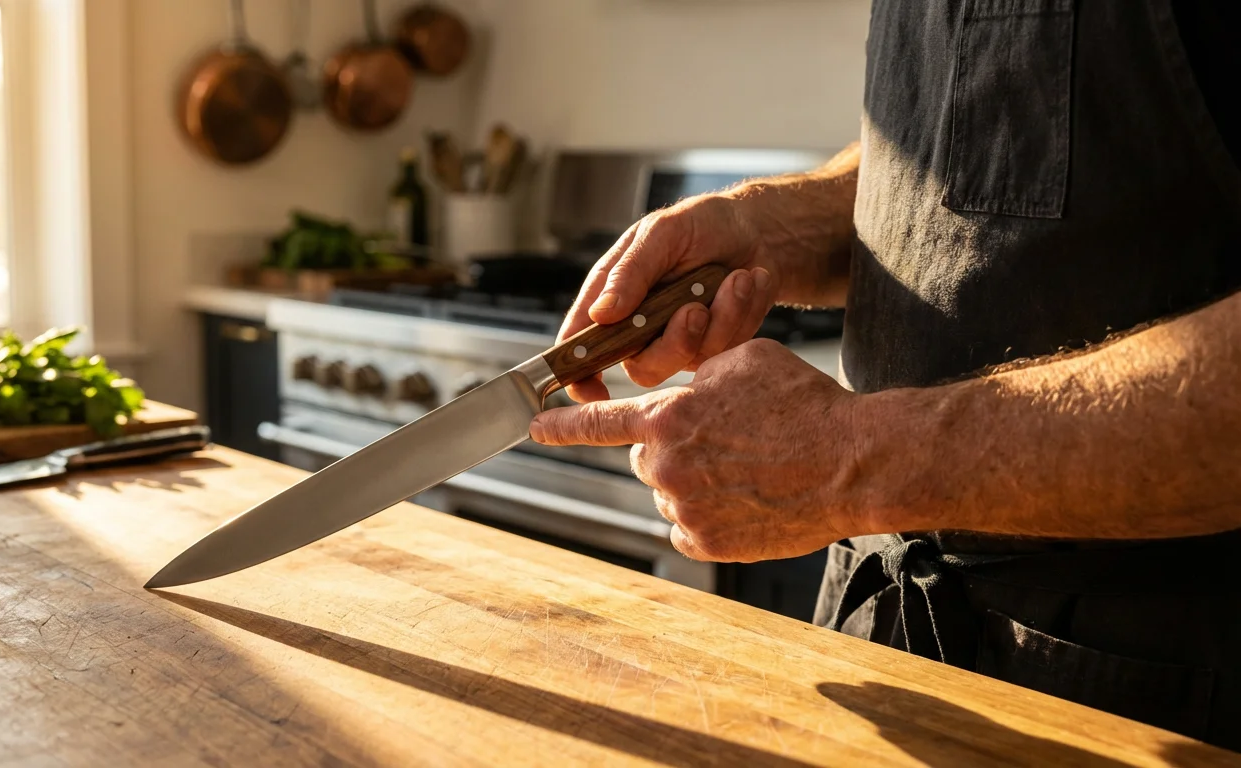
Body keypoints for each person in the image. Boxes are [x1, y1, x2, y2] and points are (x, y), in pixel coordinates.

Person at [529, 0, 1241, 749]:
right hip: (884, 630)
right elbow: (986, 142)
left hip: (1161, 692)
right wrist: (765, 224)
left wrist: (852, 461)